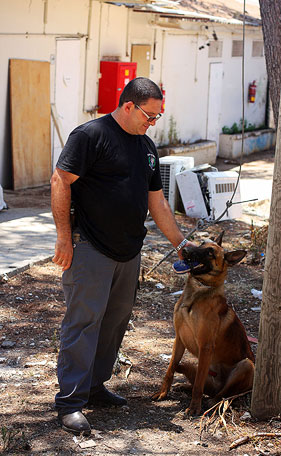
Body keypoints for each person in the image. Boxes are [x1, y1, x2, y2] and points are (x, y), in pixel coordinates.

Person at [50, 77, 194, 435]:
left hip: (128, 251)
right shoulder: (90, 136)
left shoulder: (146, 146)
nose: (153, 123)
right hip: (90, 247)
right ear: (129, 105)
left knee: (113, 323)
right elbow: (60, 181)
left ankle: (95, 387)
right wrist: (64, 239)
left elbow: (156, 201)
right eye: (150, 115)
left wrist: (180, 244)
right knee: (83, 323)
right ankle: (70, 402)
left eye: (158, 117)